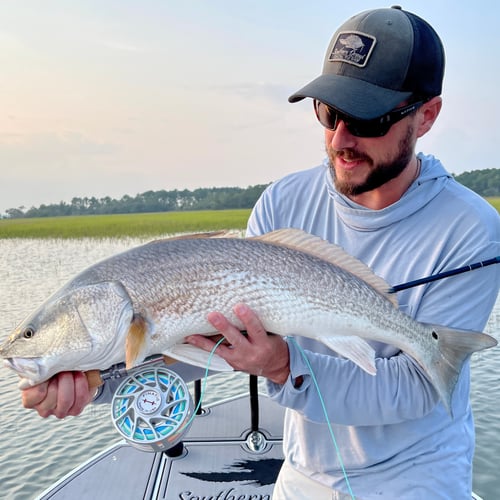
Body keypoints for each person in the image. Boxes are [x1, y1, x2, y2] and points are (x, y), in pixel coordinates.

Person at [22, 6, 500, 499]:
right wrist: (99, 376)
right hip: (304, 475)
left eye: (368, 118)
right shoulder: (284, 202)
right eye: (329, 112)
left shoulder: (470, 229)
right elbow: (208, 346)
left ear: (427, 114)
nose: (341, 139)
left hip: (419, 481)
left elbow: (414, 390)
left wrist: (282, 365)